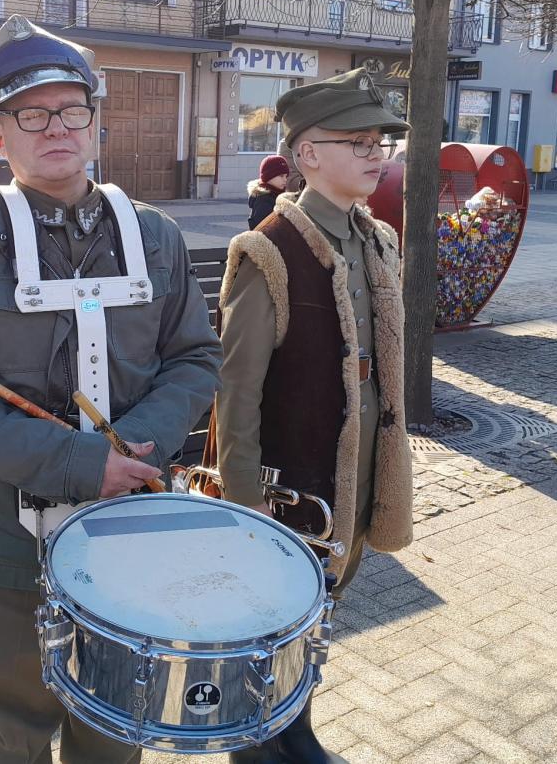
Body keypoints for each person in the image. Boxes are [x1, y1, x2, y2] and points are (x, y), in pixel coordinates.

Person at [0, 14, 221, 764]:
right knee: (15, 726)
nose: (57, 127)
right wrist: (82, 464)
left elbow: (194, 359)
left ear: (94, 124)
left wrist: (139, 444)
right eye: (31, 114)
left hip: (132, 518)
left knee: (117, 718)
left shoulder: (155, 234)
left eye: (72, 110)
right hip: (9, 535)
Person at [213, 68, 414, 763]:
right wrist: (241, 506)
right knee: (267, 622)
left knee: (320, 614)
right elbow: (236, 392)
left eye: (380, 141)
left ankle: (294, 725)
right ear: (307, 154)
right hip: (290, 484)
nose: (375, 153)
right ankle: (252, 743)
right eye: (357, 141)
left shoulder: (375, 238)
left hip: (356, 473)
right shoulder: (271, 250)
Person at [248, 153, 290, 229]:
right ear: (269, 176)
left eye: (286, 176)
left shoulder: (278, 195)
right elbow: (262, 228)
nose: (285, 179)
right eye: (281, 176)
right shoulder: (263, 200)